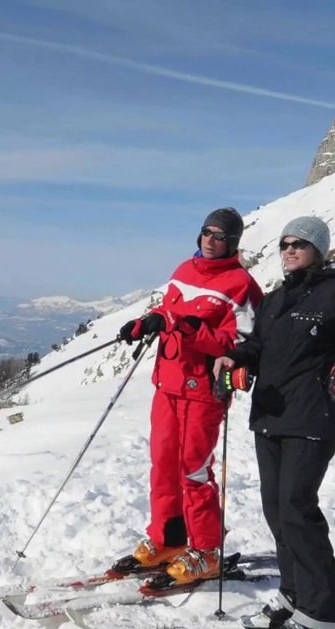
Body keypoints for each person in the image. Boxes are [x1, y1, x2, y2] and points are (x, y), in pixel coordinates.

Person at [213, 215, 335, 629]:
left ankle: (325, 617)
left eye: (298, 243)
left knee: (297, 509)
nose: (288, 250)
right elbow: (258, 346)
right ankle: (294, 599)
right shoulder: (274, 300)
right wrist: (236, 358)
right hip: (270, 416)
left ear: (319, 250)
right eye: (284, 244)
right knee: (276, 510)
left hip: (311, 418)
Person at [114, 207, 264, 586]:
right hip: (168, 383)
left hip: (202, 390)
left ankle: (206, 551)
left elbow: (239, 343)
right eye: (206, 232)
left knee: (194, 471)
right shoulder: (183, 271)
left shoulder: (241, 285)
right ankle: (169, 540)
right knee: (163, 464)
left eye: (220, 236)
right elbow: (169, 309)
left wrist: (187, 327)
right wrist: (145, 322)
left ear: (232, 243)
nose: (211, 240)